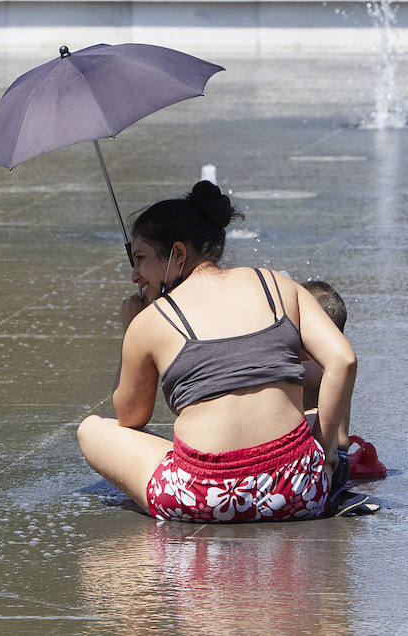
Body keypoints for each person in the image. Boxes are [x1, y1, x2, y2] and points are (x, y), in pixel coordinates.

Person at [77, 180, 357, 522]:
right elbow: (343, 360)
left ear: (178, 254)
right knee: (314, 418)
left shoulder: (149, 320)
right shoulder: (276, 283)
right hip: (299, 491)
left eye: (140, 258)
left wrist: (131, 329)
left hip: (203, 498)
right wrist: (323, 455)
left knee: (91, 429)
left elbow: (131, 417)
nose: (134, 275)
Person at [300, 280, 386, 482]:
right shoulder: (336, 364)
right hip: (339, 455)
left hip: (331, 458)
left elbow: (286, 373)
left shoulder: (320, 368)